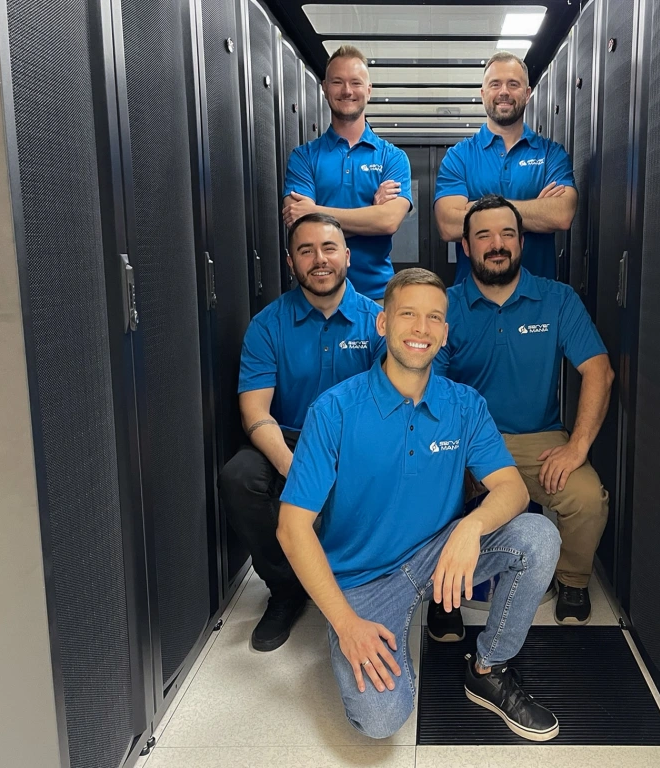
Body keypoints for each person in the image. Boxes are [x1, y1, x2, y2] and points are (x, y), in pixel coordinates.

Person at [276, 268, 561, 742]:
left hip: (438, 555)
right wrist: (346, 624)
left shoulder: (465, 405)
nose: (421, 328)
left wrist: (470, 528)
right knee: (381, 720)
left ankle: (488, 668)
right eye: (407, 314)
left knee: (539, 535)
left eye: (433, 318)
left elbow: (513, 489)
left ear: (445, 333)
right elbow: (292, 528)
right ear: (383, 323)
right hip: (363, 580)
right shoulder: (334, 410)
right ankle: (366, 636)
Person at [433, 195, 614, 630]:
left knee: (587, 498)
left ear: (521, 242)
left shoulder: (557, 299)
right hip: (468, 437)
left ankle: (572, 580)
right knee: (427, 491)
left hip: (539, 438)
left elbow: (599, 372)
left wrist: (577, 447)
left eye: (507, 234)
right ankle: (444, 590)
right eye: (484, 235)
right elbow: (428, 387)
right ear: (466, 247)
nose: (497, 244)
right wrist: (450, 450)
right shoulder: (445, 306)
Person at [219, 213, 385, 652]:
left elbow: (387, 407)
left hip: (353, 439)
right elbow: (255, 412)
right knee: (238, 478)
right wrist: (293, 468)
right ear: (291, 262)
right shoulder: (267, 325)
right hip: (289, 437)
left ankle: (358, 577)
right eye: (306, 251)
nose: (319, 259)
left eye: (328, 248)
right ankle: (286, 587)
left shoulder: (378, 323)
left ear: (347, 256)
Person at [282, 45, 412, 302]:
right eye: (337, 82)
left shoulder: (392, 157)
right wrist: (370, 216)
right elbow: (302, 227)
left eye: (355, 82)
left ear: (369, 90)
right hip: (316, 297)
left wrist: (316, 211)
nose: (347, 91)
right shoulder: (303, 157)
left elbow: (388, 221)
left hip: (377, 296)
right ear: (324, 88)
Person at [433, 51, 577, 284]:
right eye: (495, 84)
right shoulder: (459, 156)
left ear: (527, 94)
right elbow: (448, 225)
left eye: (513, 84)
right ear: (483, 94)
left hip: (537, 296)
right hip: (472, 299)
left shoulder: (551, 154)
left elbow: (561, 215)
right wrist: (536, 211)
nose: (504, 92)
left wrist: (476, 209)